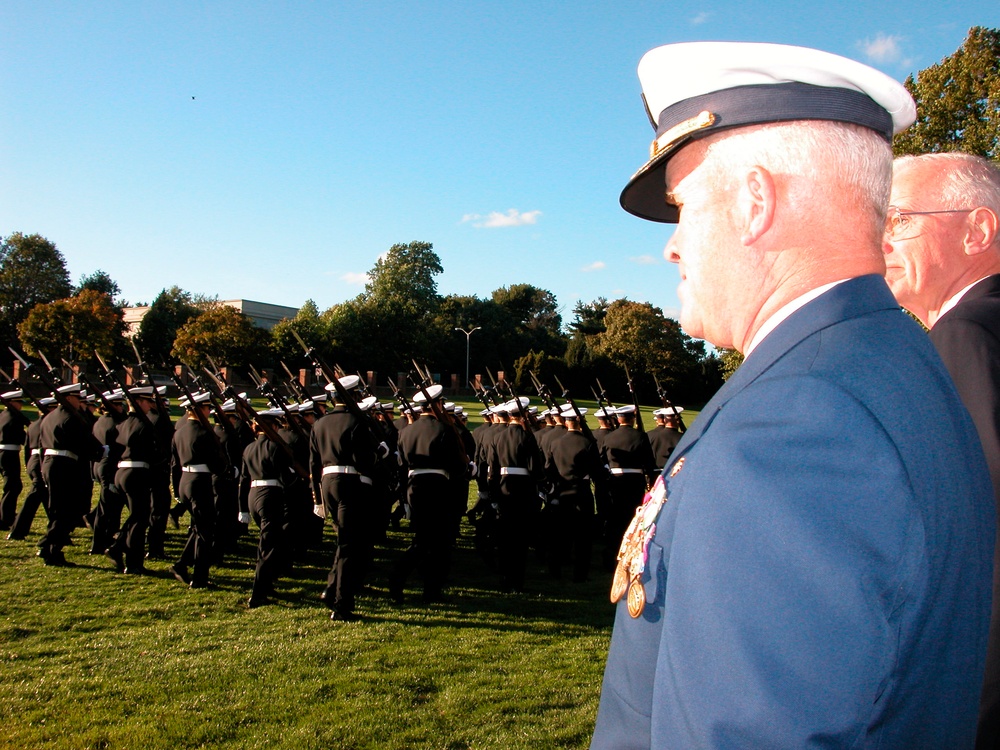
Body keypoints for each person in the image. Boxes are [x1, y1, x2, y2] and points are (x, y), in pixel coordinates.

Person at [591, 42, 994, 748]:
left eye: (684, 207)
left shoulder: (797, 422)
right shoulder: (884, 363)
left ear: (756, 202)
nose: (672, 247)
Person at [882, 152, 1000, 749]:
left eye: (899, 219)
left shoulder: (965, 335)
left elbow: (981, 544)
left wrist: (964, 713)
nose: (880, 242)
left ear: (978, 230)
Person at [310, 376, 382, 621]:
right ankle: (342, 605)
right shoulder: (356, 421)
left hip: (326, 484)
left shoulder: (320, 423)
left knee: (344, 541)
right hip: (350, 484)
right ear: (353, 396)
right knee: (350, 545)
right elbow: (363, 460)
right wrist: (379, 455)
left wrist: (317, 498)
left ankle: (332, 589)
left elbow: (313, 463)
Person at [169, 390, 225, 589]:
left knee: (199, 527)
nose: (209, 411)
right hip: (200, 482)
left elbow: (174, 463)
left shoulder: (179, 432)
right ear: (199, 409)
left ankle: (182, 564)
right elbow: (216, 463)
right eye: (207, 408)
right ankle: (199, 578)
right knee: (205, 531)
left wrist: (176, 488)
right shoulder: (204, 432)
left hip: (184, 480)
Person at [0, 389, 31, 531]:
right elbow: (21, 436)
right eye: (18, 402)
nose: (21, 405)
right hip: (9, 453)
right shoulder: (15, 417)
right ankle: (5, 517)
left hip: (3, 452)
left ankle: (5, 514)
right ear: (12, 403)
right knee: (13, 486)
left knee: (11, 485)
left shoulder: (2, 415)